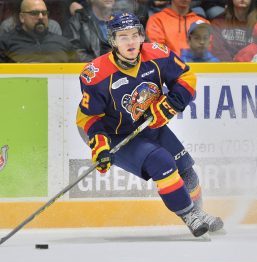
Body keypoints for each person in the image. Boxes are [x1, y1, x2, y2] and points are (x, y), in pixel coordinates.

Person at [76, 12, 224, 236]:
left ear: (141, 36)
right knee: (161, 162)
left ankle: (199, 212)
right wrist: (98, 144)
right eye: (123, 36)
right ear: (113, 41)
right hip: (115, 134)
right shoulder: (95, 75)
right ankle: (190, 216)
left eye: (135, 35)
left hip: (149, 124)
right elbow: (89, 117)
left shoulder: (158, 54)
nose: (131, 41)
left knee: (187, 173)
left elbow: (187, 78)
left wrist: (170, 105)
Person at [0, 0, 78, 63]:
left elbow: (76, 77)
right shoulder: (5, 43)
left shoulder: (63, 43)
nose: (41, 17)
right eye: (34, 13)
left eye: (44, 13)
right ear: (22, 17)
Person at [145, 0, 210, 57]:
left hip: (199, 68)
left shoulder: (203, 22)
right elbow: (157, 51)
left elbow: (208, 51)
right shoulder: (157, 20)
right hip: (170, 68)